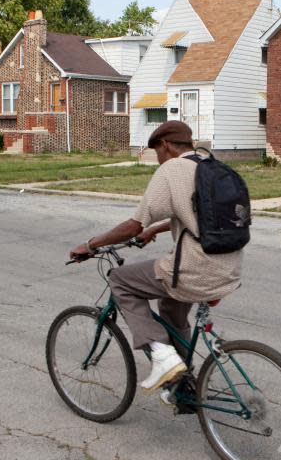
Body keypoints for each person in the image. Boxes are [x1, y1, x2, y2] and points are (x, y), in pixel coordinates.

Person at [69, 121, 243, 392]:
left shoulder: (172, 169)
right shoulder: (210, 166)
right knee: (171, 307)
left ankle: (162, 356)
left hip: (194, 269)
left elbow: (132, 226)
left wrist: (91, 245)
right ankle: (181, 386)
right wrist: (158, 228)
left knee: (121, 280)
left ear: (165, 146)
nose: (157, 160)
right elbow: (201, 216)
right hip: (228, 267)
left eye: (157, 153)